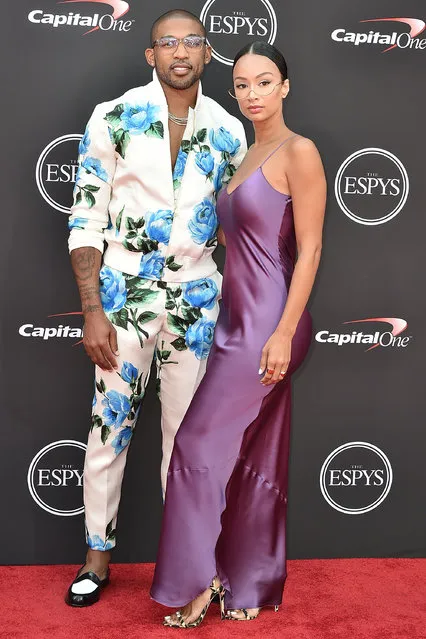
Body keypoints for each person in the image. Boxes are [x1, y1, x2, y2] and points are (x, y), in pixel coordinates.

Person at [65, 9, 247, 607]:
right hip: (123, 295)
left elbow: (235, 225)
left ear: (207, 52)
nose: (179, 52)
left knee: (188, 441)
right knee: (108, 429)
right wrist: (92, 308)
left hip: (197, 300)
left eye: (191, 41)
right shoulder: (113, 116)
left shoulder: (228, 130)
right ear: (151, 55)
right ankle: (96, 558)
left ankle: (190, 567)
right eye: (167, 42)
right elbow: (86, 216)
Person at [150, 41, 326, 627]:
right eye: (242, 84)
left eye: (264, 81)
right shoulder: (248, 155)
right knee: (251, 453)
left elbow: (309, 252)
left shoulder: (299, 152)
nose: (252, 93)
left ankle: (197, 582)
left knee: (197, 444)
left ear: (286, 86)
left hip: (270, 325)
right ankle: (246, 581)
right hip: (235, 321)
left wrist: (282, 332)